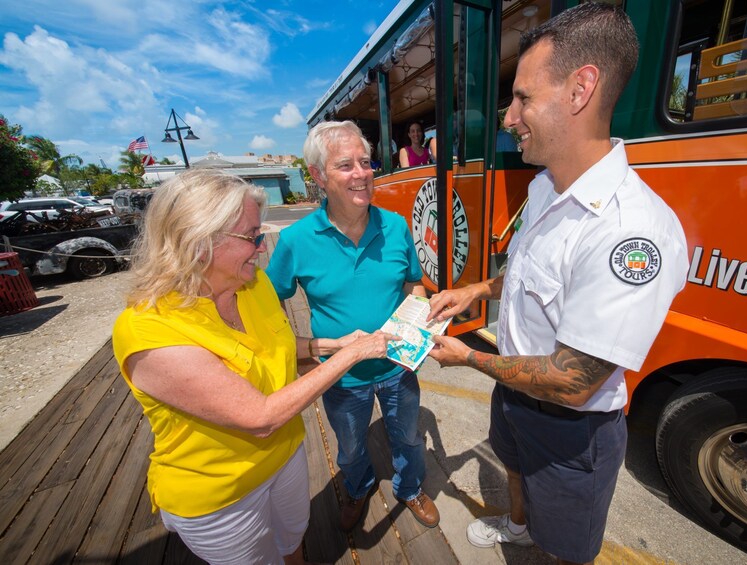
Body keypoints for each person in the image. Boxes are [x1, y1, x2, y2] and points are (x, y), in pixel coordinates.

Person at [427, 4, 688, 564]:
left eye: (522, 97)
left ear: (580, 89)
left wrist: (469, 360)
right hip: (516, 391)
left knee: (564, 549)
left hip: (572, 427)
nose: (508, 117)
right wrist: (477, 292)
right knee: (514, 472)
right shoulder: (546, 185)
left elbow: (574, 382)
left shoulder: (631, 230)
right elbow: (526, 273)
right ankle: (517, 526)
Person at [112, 169, 398, 565]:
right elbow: (260, 417)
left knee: (294, 540)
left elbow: (276, 344)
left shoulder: (252, 283)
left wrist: (334, 343)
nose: (262, 248)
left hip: (285, 455)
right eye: (251, 237)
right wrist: (353, 355)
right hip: (220, 493)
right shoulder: (148, 328)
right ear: (198, 241)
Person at [266, 121, 441, 532]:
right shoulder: (295, 239)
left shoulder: (396, 225)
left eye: (365, 162)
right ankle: (359, 487)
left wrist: (417, 314)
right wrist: (311, 347)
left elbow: (414, 281)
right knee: (349, 447)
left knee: (410, 439)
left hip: (398, 366)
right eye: (345, 165)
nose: (361, 173)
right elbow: (264, 307)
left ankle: (411, 487)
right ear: (318, 176)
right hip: (341, 375)